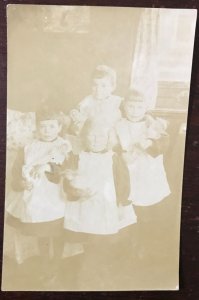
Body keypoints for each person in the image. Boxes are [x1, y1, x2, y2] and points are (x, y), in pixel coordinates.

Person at [6, 107, 72, 281]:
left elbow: (65, 166)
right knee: (42, 230)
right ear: (36, 128)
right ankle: (45, 262)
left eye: (51, 126)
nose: (47, 131)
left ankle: (56, 263)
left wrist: (47, 166)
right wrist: (21, 182)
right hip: (36, 198)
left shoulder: (63, 145)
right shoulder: (28, 148)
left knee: (57, 231)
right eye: (43, 127)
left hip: (57, 197)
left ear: (59, 127)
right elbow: (16, 173)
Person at [63, 117, 137, 236]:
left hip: (107, 205)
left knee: (106, 234)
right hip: (83, 206)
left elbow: (123, 182)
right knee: (86, 233)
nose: (96, 140)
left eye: (101, 136)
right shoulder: (78, 157)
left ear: (108, 138)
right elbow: (67, 180)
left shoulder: (114, 158)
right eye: (91, 136)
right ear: (84, 136)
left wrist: (121, 202)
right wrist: (75, 192)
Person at [114, 88, 171, 206]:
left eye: (139, 107)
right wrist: (121, 154)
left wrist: (151, 143)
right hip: (128, 165)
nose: (135, 111)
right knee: (131, 192)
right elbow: (114, 144)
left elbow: (165, 142)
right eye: (131, 106)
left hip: (148, 166)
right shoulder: (119, 125)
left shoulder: (152, 124)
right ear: (124, 106)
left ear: (146, 108)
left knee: (149, 193)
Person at [68, 65, 122, 136]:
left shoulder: (116, 100)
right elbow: (77, 108)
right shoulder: (88, 99)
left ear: (113, 87)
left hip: (109, 131)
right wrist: (75, 113)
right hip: (91, 131)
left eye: (103, 86)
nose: (98, 89)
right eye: (95, 85)